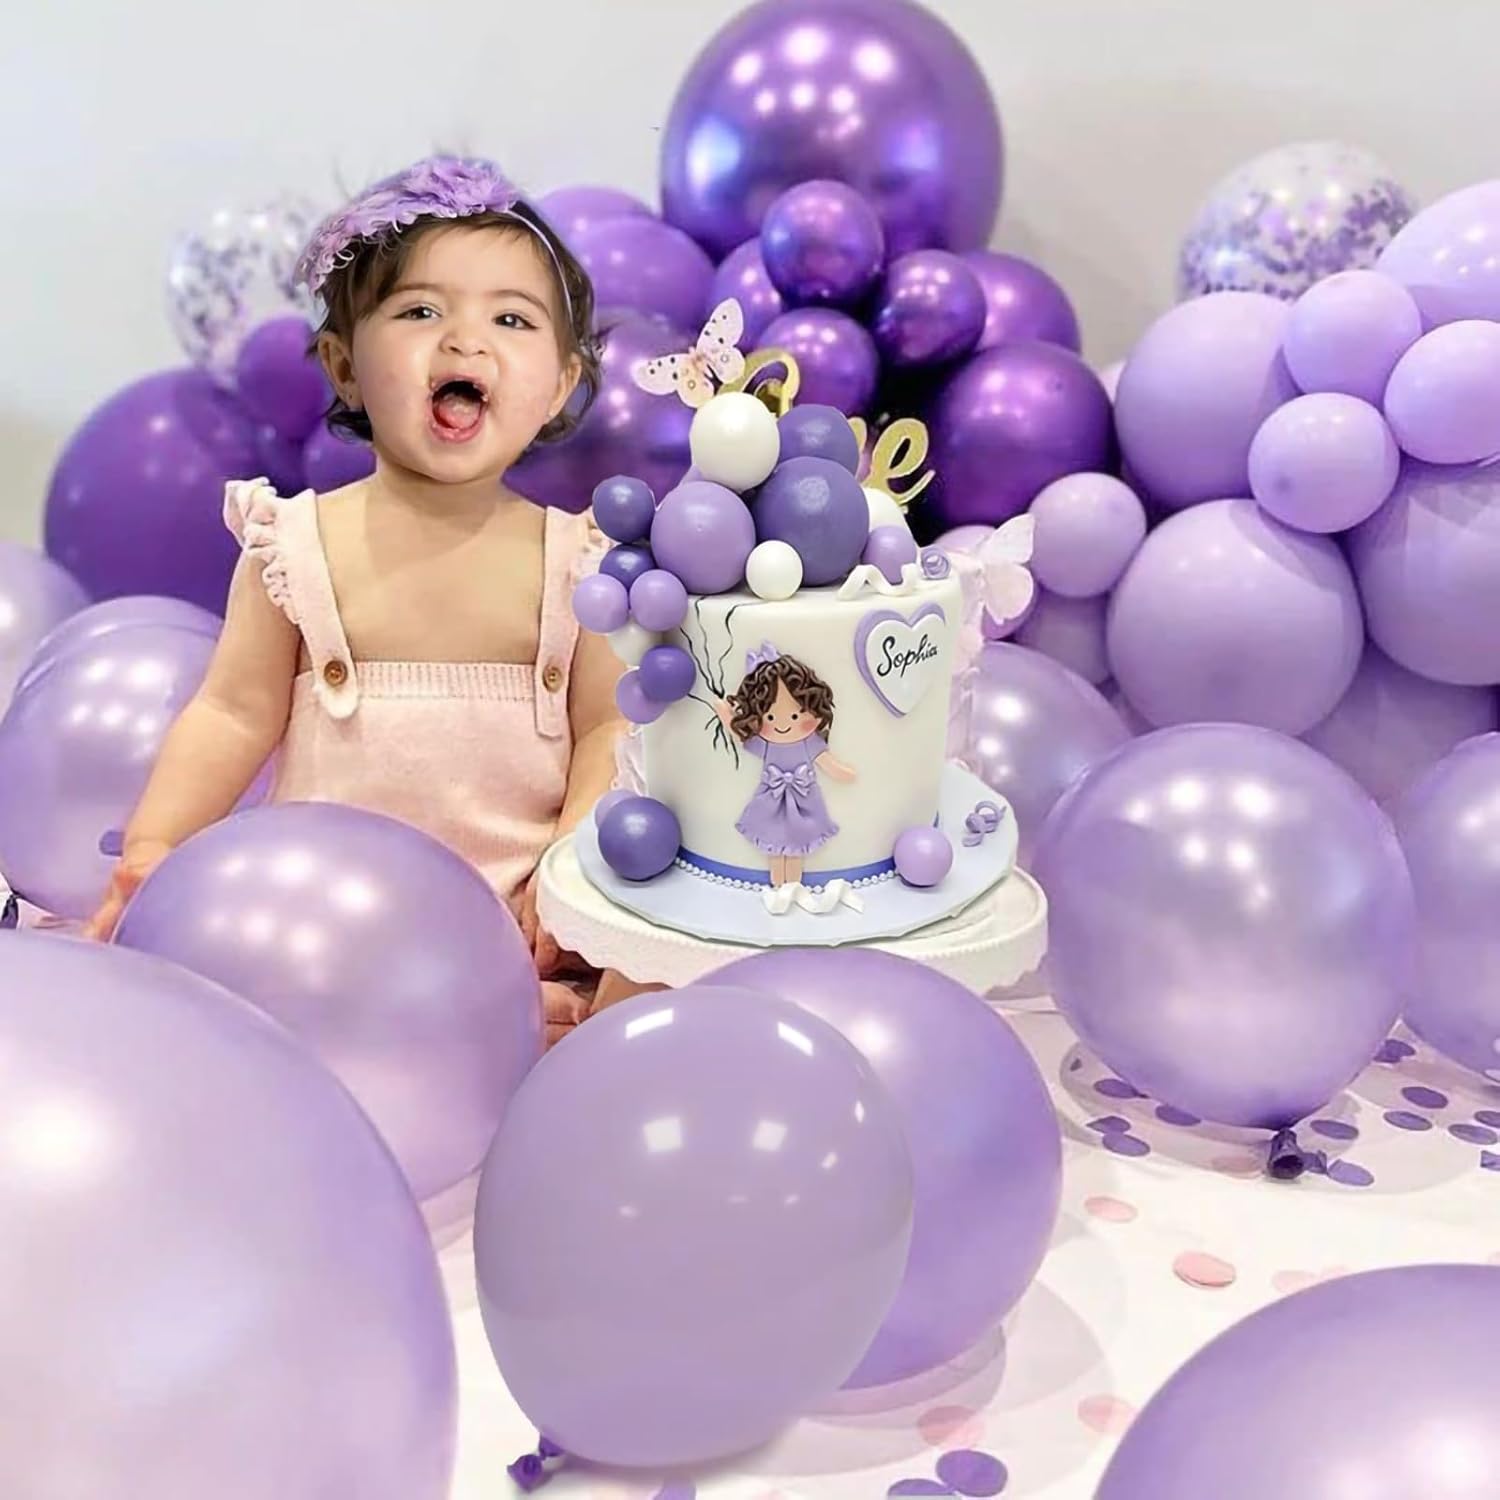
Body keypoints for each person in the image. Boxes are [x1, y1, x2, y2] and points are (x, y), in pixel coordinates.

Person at [88, 155, 629, 1043]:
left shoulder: (578, 565)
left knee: (604, 998)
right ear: (344, 366)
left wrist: (573, 863)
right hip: (321, 932)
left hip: (505, 933)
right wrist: (154, 845)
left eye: (511, 318)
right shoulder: (294, 548)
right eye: (421, 312)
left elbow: (608, 729)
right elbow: (230, 712)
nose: (466, 342)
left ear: (561, 384)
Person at [718, 643, 857, 896]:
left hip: (803, 803)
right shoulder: (766, 744)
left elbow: (828, 763)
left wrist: (844, 772)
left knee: (795, 846)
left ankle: (792, 889)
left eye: (796, 716)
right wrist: (725, 713)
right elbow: (741, 734)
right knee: (774, 845)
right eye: (770, 717)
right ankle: (778, 889)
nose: (783, 724)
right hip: (770, 801)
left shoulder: (810, 742)